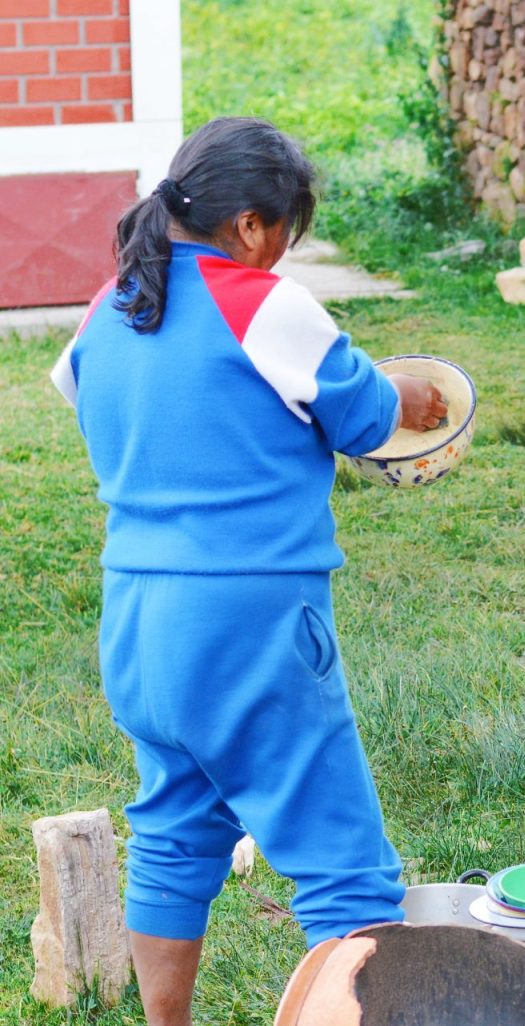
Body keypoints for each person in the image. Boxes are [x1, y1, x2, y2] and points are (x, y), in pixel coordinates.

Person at [49, 117, 446, 1026]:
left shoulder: (109, 307)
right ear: (254, 227)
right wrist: (406, 392)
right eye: (286, 236)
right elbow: (365, 415)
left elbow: (85, 391)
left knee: (176, 834)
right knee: (344, 864)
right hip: (250, 623)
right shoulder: (265, 304)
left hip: (139, 621)